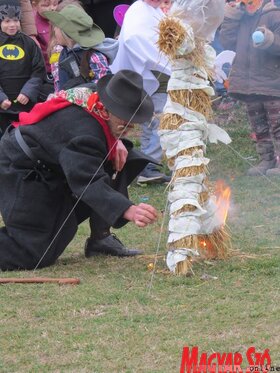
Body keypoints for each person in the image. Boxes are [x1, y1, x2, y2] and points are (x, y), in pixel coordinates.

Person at [0, 70, 158, 271]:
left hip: (53, 161)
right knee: (33, 251)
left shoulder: (94, 96)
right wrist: (128, 209)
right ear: (107, 110)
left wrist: (115, 139)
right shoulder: (85, 133)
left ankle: (101, 238)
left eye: (131, 122)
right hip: (23, 168)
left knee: (124, 155)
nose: (128, 127)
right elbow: (87, 180)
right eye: (123, 121)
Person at [111, 0, 171, 184]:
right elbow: (132, 39)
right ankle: (148, 167)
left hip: (160, 76)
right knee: (155, 121)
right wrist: (155, 57)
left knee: (153, 120)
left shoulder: (157, 11)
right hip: (147, 75)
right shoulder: (138, 10)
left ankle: (146, 163)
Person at [220, 0, 280, 176]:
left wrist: (269, 39)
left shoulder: (274, 14)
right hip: (248, 85)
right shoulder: (241, 18)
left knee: (277, 125)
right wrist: (231, 18)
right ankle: (266, 159)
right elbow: (227, 43)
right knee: (259, 126)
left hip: (272, 83)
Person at [44, 4, 117, 91]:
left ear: (66, 33)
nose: (54, 30)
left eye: (56, 27)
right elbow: (59, 84)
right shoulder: (63, 52)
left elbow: (103, 86)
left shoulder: (94, 56)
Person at [0, 0, 46, 137]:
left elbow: (39, 71)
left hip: (25, 106)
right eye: (7, 21)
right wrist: (1, 98)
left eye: (15, 20)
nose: (12, 25)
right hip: (3, 108)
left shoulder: (29, 44)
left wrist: (28, 92)